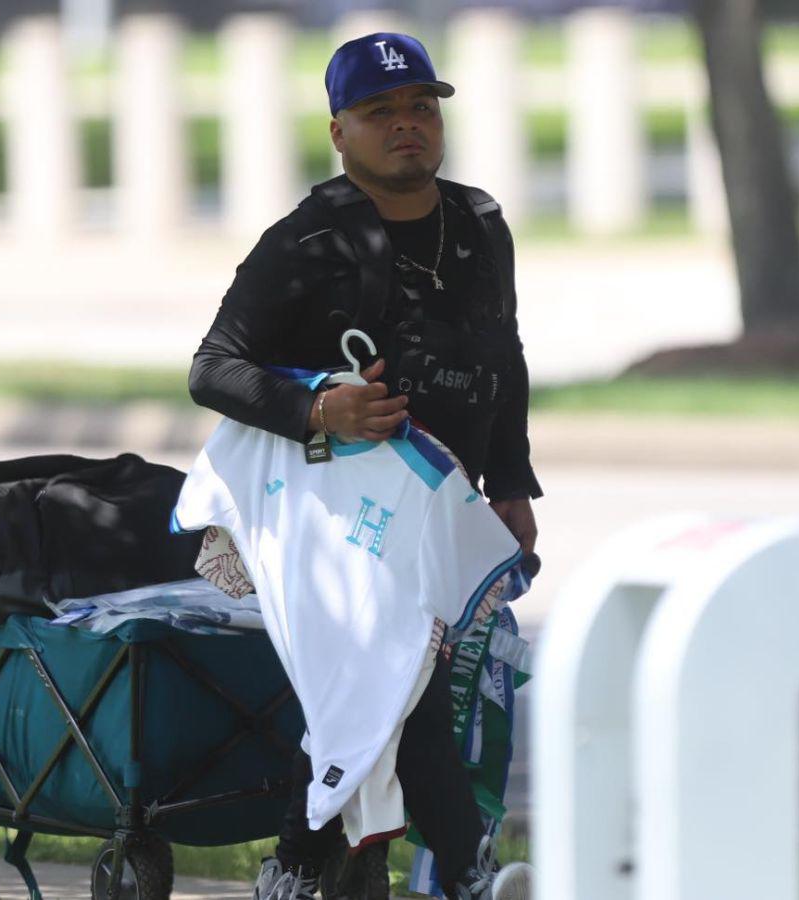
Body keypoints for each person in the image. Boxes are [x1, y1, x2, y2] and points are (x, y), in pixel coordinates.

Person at [187, 32, 541, 900]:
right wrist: (317, 409)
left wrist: (512, 482)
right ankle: (468, 872)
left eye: (421, 106)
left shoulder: (482, 223)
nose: (407, 126)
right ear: (340, 131)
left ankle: (296, 867)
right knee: (399, 669)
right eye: (381, 113)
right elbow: (213, 369)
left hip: (447, 507)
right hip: (325, 511)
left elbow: (506, 356)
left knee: (386, 681)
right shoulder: (305, 241)